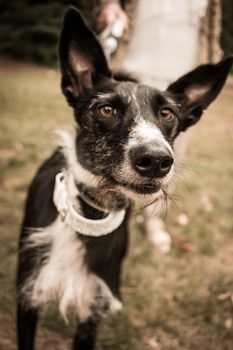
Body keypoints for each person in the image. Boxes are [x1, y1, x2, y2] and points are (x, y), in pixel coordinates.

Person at [93, 0, 222, 252]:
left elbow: (209, 20)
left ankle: (152, 219)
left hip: (182, 71)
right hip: (133, 65)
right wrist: (109, 4)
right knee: (116, 143)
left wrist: (212, 46)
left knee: (169, 151)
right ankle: (103, 210)